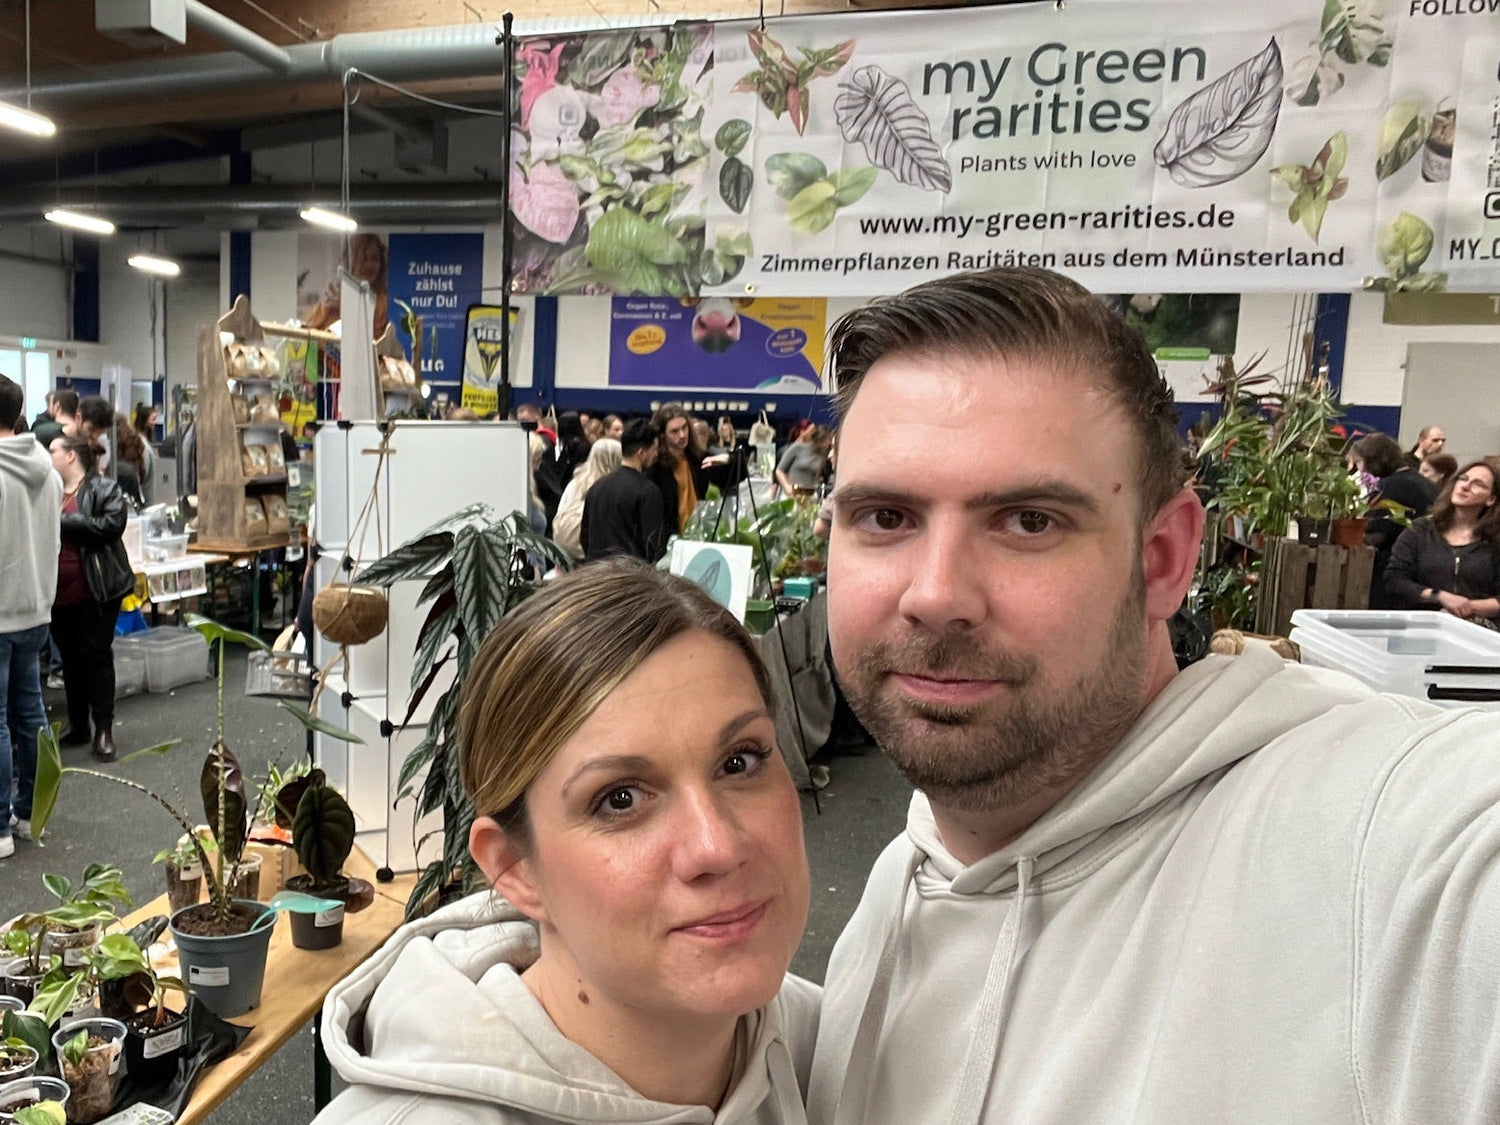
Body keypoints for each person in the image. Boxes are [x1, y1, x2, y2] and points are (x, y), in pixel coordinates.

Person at [809, 266, 1500, 1124]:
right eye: (885, 517)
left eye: (1029, 520)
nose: (936, 593)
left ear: (1165, 558)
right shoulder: (896, 889)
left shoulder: (1378, 853)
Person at [315, 562, 815, 1124]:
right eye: (620, 799)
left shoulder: (837, 1043)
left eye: (740, 761)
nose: (717, 845)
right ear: (515, 869)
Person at [0, 378, 62, 858]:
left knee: (1, 722)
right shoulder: (48, 470)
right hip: (37, 609)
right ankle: (29, 816)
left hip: (1, 613)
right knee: (31, 714)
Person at [49, 434, 134, 763]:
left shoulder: (103, 488)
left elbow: (111, 525)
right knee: (69, 660)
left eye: (53, 450)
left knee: (96, 656)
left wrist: (62, 522)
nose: (48, 456)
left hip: (97, 590)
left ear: (71, 455)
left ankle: (104, 730)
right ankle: (79, 725)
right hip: (57, 594)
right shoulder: (50, 490)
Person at [1383, 457, 1500, 623]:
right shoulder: (1420, 530)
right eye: (1463, 479)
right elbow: (1395, 580)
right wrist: (1440, 596)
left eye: (1478, 484)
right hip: (1421, 624)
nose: (1465, 486)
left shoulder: (1495, 540)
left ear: (1491, 499)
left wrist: (1465, 607)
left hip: (1479, 629)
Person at [1352, 432, 1437, 608]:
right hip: (1425, 572)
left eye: (1359, 462)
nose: (1358, 469)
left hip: (1393, 573)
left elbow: (1378, 535)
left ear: (1373, 461)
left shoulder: (1389, 486)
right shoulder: (1426, 484)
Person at [582, 419, 667, 563]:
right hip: (631, 574)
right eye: (654, 449)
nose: (656, 454)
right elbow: (654, 547)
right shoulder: (647, 491)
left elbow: (585, 538)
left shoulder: (596, 487)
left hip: (596, 572)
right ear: (641, 453)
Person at [552, 437, 621, 560]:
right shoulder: (611, 489)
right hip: (595, 554)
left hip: (567, 548)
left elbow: (561, 509)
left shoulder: (576, 482)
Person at [648, 404, 708, 535]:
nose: (682, 435)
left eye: (684, 428)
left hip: (698, 534)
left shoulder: (697, 458)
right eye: (674, 431)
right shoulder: (655, 468)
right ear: (662, 435)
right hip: (670, 538)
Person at [773, 426, 831, 499]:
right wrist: (787, 486)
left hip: (809, 494)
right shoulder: (797, 448)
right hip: (793, 493)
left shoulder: (823, 455)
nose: (827, 444)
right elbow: (779, 470)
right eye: (826, 441)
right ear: (819, 439)